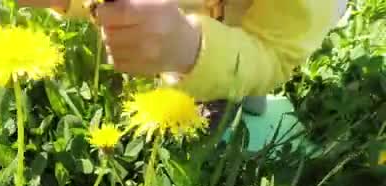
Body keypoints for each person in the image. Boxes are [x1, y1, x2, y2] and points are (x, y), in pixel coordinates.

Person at [17, 0, 348, 122]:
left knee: (240, 73)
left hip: (280, 19)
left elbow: (274, 53)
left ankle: (237, 94)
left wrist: (193, 49)